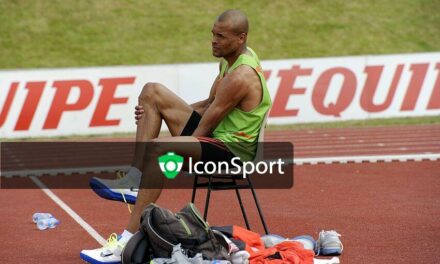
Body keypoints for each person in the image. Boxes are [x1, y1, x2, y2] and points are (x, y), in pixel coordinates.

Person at [80, 9, 272, 264]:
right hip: (215, 136)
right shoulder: (229, 60)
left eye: (221, 36)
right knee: (151, 93)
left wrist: (171, 148)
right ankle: (134, 181)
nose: (214, 40)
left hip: (232, 153)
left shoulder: (242, 76)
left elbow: (205, 126)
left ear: (240, 38)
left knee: (158, 150)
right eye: (213, 34)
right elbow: (207, 105)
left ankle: (125, 242)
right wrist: (157, 112)